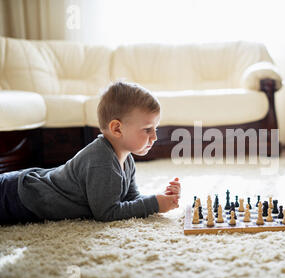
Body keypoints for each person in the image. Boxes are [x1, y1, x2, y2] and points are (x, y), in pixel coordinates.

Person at [0, 81, 180, 225]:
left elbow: (130, 199)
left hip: (25, 188)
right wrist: (154, 204)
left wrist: (160, 198)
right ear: (117, 128)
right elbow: (107, 212)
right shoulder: (101, 160)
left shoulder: (127, 159)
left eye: (155, 128)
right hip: (18, 196)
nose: (155, 137)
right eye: (148, 129)